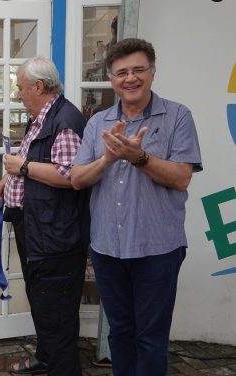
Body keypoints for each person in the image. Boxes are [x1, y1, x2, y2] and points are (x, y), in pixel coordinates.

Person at [70, 38, 202, 375]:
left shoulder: (177, 116)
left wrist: (138, 157)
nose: (130, 78)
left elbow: (181, 177)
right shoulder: (97, 123)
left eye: (138, 70)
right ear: (112, 79)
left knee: (151, 338)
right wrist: (109, 159)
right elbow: (77, 179)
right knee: (120, 332)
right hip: (107, 248)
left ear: (152, 73)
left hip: (157, 249)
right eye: (121, 72)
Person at [0, 56, 90, 375]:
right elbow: (32, 159)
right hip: (35, 228)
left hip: (55, 237)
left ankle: (59, 365)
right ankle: (44, 358)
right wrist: (10, 178)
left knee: (57, 317)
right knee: (43, 305)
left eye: (21, 87)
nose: (18, 93)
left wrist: (20, 167)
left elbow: (70, 176)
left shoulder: (65, 121)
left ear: (38, 86)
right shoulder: (40, 117)